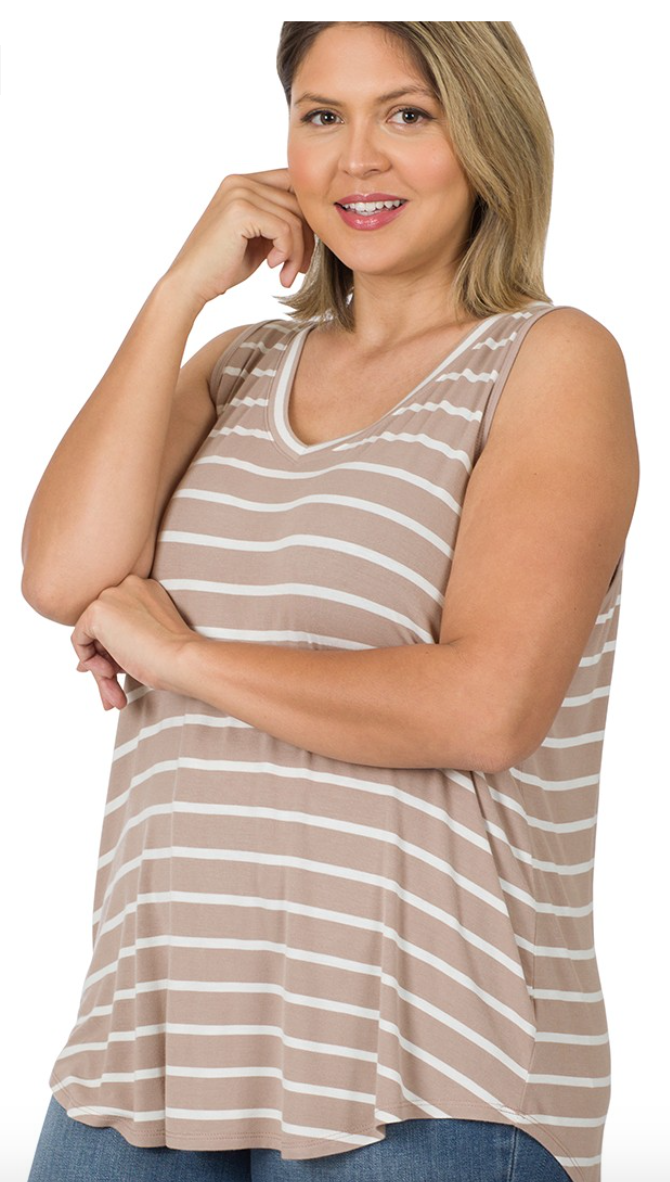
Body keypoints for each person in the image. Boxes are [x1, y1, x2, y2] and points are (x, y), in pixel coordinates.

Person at [22, 20, 638, 1182]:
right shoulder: (241, 365)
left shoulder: (550, 362)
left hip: (425, 1068)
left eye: (407, 113)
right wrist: (178, 292)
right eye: (322, 116)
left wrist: (183, 656)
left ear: (487, 137)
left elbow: (485, 706)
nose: (358, 159)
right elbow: (60, 574)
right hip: (147, 1052)